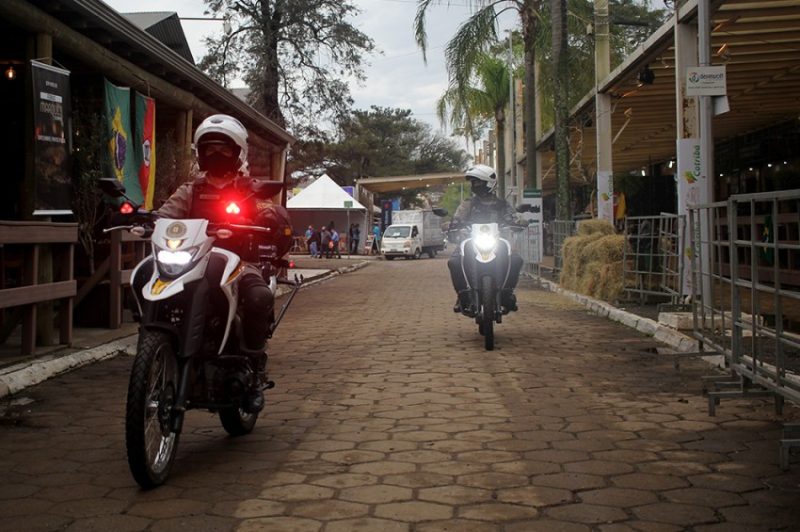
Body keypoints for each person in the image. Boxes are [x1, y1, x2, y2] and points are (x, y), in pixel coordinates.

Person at [145, 114, 289, 413]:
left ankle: (253, 366)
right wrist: (146, 219)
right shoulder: (191, 190)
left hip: (239, 262)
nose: (216, 154)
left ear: (238, 153)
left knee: (259, 296)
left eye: (224, 149)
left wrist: (268, 216)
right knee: (150, 275)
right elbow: (166, 214)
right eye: (209, 148)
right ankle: (157, 348)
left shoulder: (250, 189)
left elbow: (269, 210)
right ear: (199, 152)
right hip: (194, 260)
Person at [447, 164, 524, 316]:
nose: (475, 185)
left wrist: (518, 221)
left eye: (478, 182)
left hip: (498, 240)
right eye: (473, 182)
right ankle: (462, 296)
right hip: (471, 240)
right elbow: (458, 217)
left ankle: (507, 294)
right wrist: (452, 224)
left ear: (489, 183)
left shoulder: (502, 204)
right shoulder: (468, 203)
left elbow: (513, 217)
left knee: (516, 260)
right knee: (454, 262)